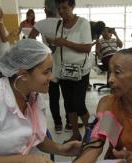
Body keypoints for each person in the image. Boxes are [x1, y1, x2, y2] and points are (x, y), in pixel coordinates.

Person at [0, 39, 81, 163]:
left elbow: (34, 137)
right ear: (23, 75)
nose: (52, 77)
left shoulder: (34, 97)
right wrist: (23, 161)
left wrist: (60, 149)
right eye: (46, 72)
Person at [47, 0, 92, 142]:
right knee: (68, 104)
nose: (61, 11)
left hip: (80, 71)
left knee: (79, 103)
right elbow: (56, 49)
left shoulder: (82, 23)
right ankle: (75, 134)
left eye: (64, 7)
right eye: (59, 8)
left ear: (72, 7)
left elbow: (87, 48)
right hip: (63, 71)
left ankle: (91, 134)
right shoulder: (59, 25)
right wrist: (52, 44)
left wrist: (65, 42)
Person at [29, 0, 74, 133]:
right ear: (58, 9)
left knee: (53, 97)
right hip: (65, 64)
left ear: (45, 10)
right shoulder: (66, 23)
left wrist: (44, 49)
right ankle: (69, 124)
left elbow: (30, 41)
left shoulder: (41, 24)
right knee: (67, 96)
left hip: (48, 66)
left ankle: (58, 124)